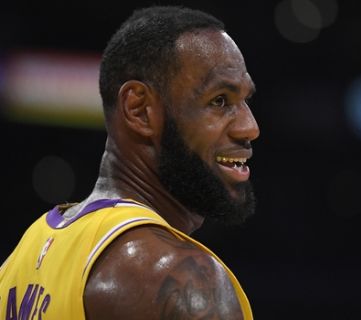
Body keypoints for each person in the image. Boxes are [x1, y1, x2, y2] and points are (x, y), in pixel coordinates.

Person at [0, 5, 260, 319]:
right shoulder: (181, 280)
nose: (250, 127)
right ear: (139, 110)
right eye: (220, 101)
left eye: (245, 101)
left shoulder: (22, 258)